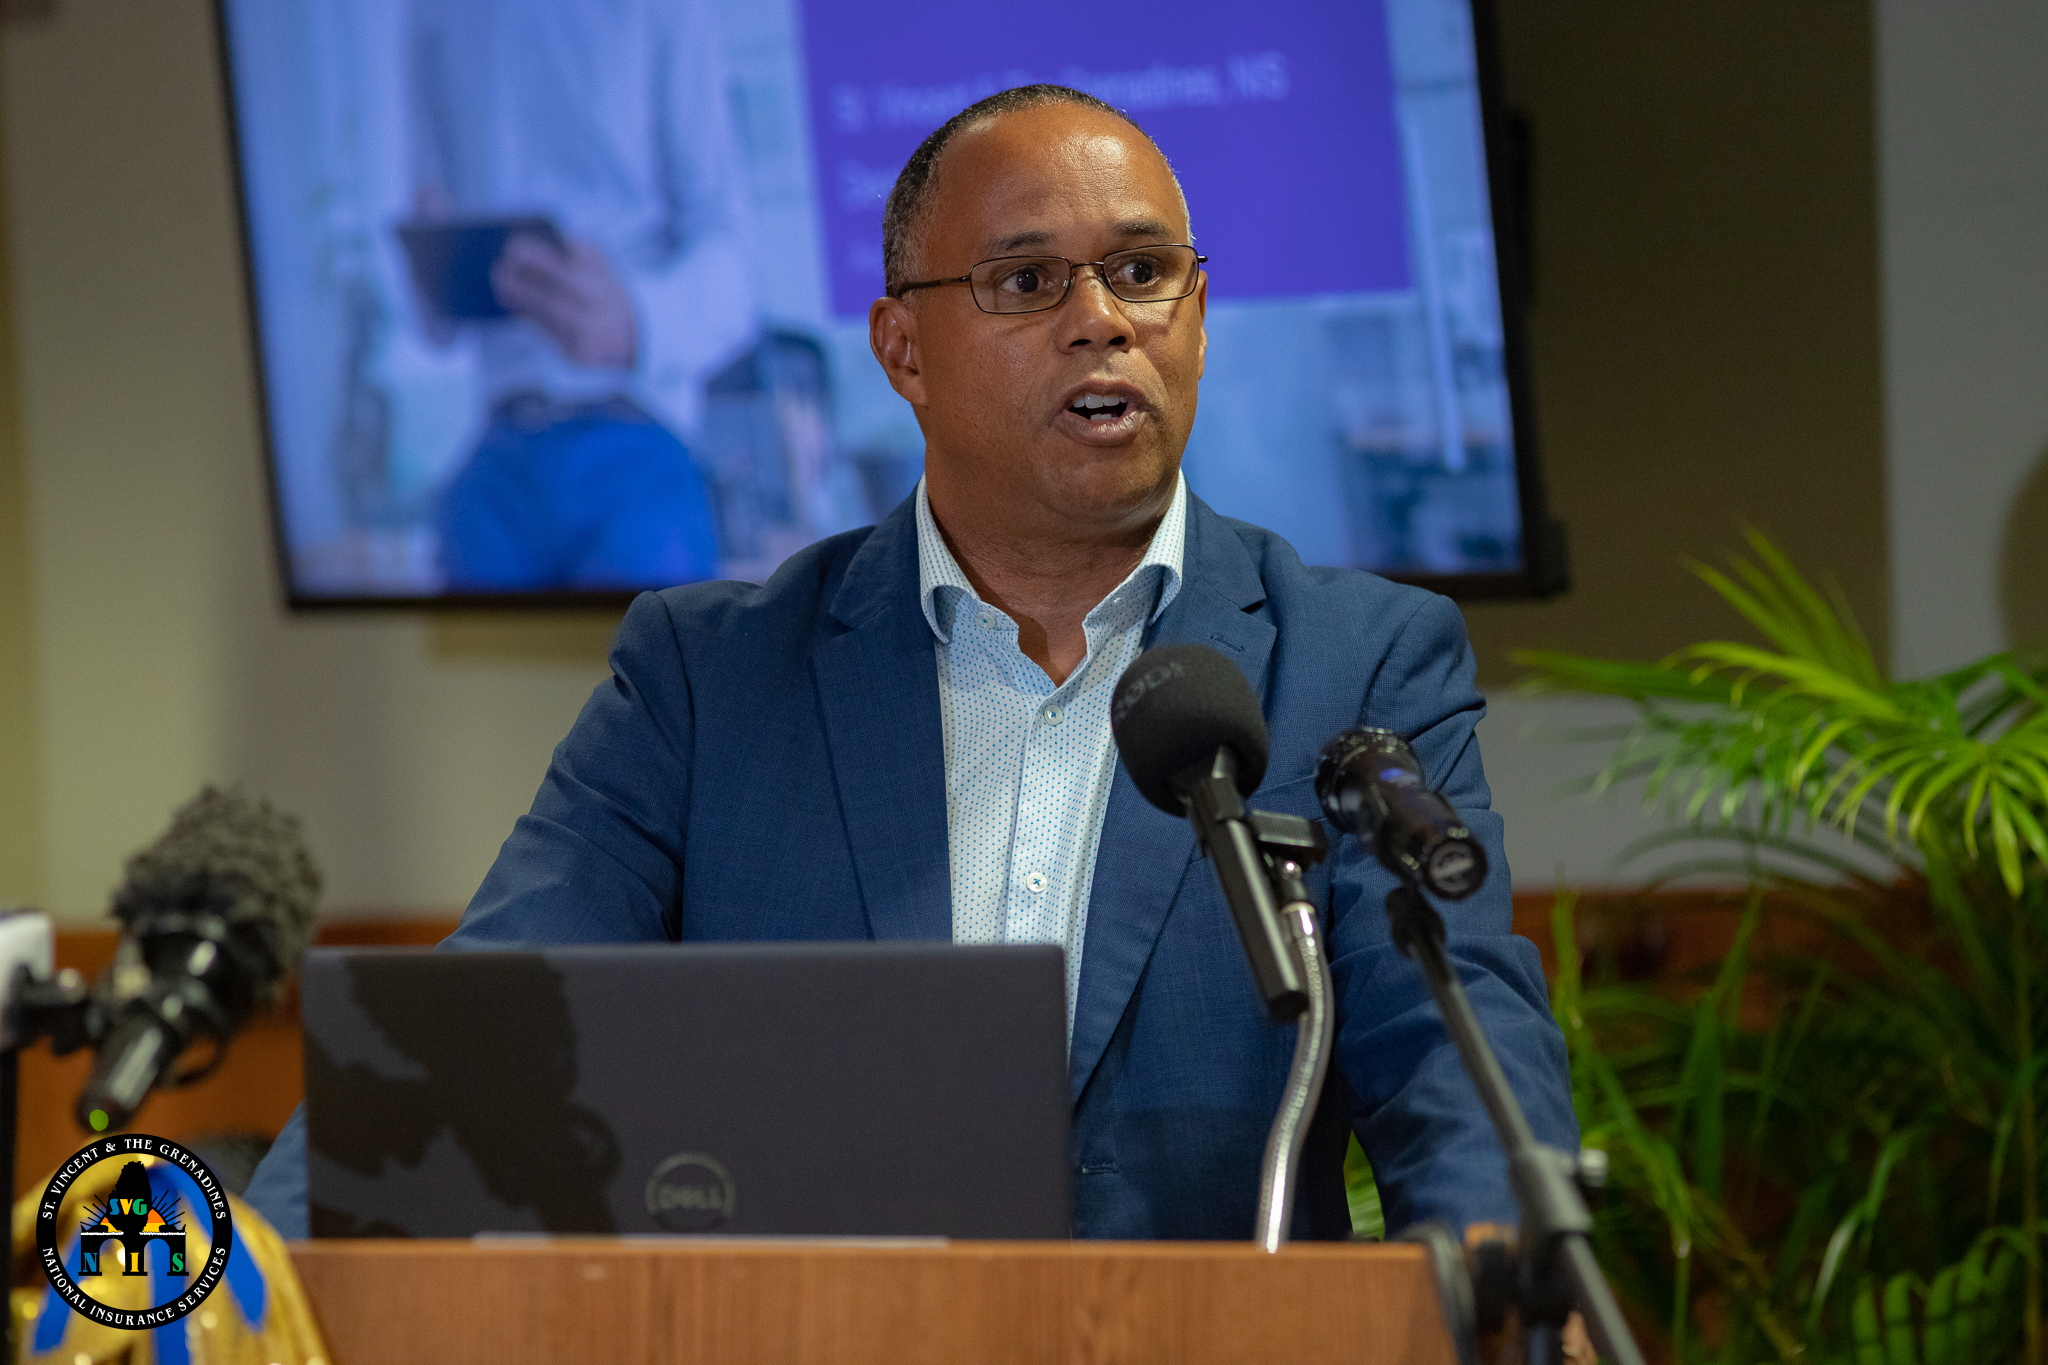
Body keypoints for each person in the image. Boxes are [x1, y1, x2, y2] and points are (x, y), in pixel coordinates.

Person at [250, 85, 1575, 1245]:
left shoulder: (1360, 663)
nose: (1102, 321)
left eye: (1142, 271)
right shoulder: (708, 683)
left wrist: (1510, 1286)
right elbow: (477, 1033)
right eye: (1027, 282)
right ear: (901, 351)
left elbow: (1462, 1073)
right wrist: (239, 1292)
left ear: (1197, 314)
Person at [405, 0, 757, 591]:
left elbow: (735, 265)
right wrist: (436, 269)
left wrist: (635, 321)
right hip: (499, 446)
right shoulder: (436, 16)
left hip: (636, 436)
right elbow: (431, 305)